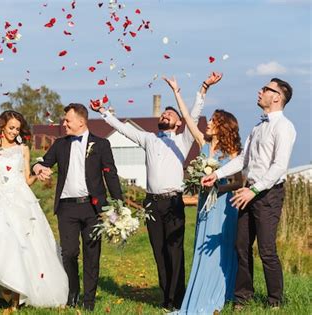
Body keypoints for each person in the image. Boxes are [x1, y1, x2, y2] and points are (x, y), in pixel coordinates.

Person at [91, 72, 222, 310]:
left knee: (174, 250)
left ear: (178, 122)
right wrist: (103, 113)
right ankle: (166, 297)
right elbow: (123, 129)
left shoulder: (183, 140)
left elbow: (193, 114)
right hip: (151, 203)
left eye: (170, 114)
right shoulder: (148, 139)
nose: (165, 115)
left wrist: (203, 89)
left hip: (173, 202)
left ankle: (178, 297)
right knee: (159, 250)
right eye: (163, 113)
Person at [0, 110, 69, 310]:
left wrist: (39, 174)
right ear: (2, 127)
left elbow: (26, 179)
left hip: (22, 200)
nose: (14, 132)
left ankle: (19, 296)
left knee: (25, 245)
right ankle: (8, 290)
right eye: (11, 128)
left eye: (17, 128)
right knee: (5, 245)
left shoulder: (22, 149)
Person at [202, 78, 296, 310]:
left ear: (276, 97)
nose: (260, 91)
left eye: (266, 89)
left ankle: (275, 302)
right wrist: (217, 174)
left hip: (267, 194)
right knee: (240, 246)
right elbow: (243, 160)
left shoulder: (284, 127)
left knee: (266, 250)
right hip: (248, 191)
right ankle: (243, 298)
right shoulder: (257, 127)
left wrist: (254, 190)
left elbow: (279, 167)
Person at [164, 76, 243, 314]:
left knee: (220, 249)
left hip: (223, 205)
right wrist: (185, 91)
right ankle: (198, 293)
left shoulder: (234, 152)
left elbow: (238, 182)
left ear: (223, 125)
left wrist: (217, 185)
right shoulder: (203, 144)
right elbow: (187, 117)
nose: (208, 123)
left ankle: (220, 293)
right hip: (204, 206)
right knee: (201, 248)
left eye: (213, 121)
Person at [33, 103, 123, 311]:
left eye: (67, 120)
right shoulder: (60, 144)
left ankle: (88, 301)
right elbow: (43, 162)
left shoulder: (101, 145)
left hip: (93, 208)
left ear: (81, 121)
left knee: (92, 254)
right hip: (67, 208)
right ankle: (72, 293)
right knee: (70, 253)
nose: (64, 123)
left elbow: (110, 174)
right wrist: (38, 167)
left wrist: (118, 204)